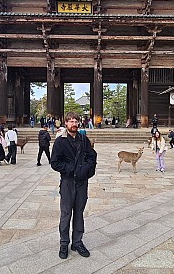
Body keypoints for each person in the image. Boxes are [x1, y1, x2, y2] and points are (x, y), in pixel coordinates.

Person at [50, 111, 97, 259]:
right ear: (66, 123)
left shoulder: (83, 139)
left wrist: (86, 170)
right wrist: (72, 170)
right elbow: (55, 163)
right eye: (70, 121)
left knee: (79, 213)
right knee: (65, 214)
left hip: (82, 182)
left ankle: (77, 242)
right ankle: (64, 243)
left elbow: (92, 155)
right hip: (68, 182)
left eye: (76, 121)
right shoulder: (60, 141)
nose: (74, 124)